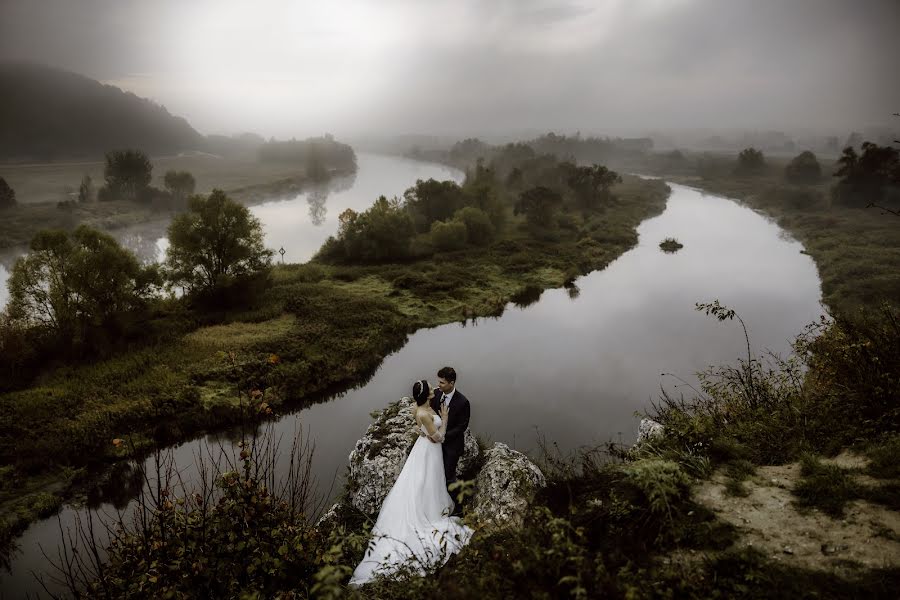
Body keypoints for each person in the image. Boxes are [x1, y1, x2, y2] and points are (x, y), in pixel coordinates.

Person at [349, 380, 473, 585]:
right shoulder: (424, 413)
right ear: (427, 395)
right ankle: (430, 512)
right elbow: (438, 438)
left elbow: (422, 430)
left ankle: (432, 506)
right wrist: (444, 419)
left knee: (424, 483)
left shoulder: (420, 407)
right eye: (431, 388)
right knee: (426, 482)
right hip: (429, 449)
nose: (435, 388)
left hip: (422, 448)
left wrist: (429, 427)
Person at [430, 366, 471, 517]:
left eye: (442, 382)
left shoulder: (463, 402)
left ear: (451, 383)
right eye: (438, 381)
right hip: (434, 445)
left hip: (451, 446)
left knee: (449, 477)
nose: (438, 385)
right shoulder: (435, 394)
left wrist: (444, 436)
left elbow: (462, 427)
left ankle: (459, 508)